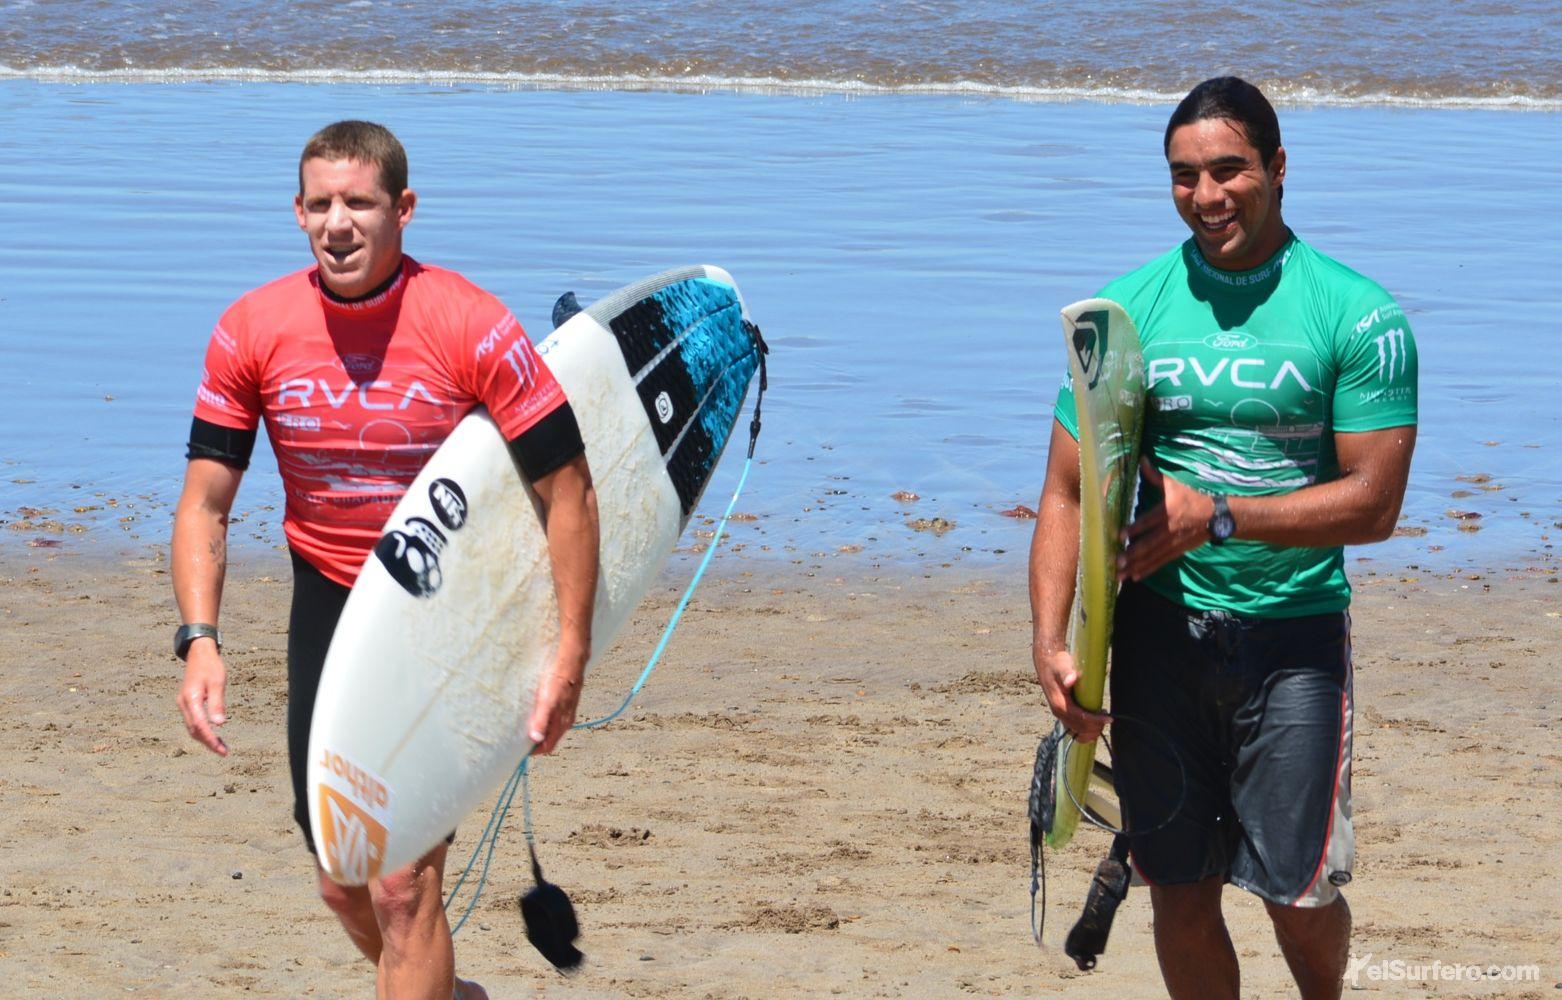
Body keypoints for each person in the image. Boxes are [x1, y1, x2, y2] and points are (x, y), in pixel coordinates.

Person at [170, 120, 600, 999]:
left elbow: (569, 490)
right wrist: (200, 640)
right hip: (329, 604)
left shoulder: (471, 323)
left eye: (359, 203)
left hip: (449, 612)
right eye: (320, 204)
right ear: (297, 212)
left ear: (403, 209)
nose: (338, 223)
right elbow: (205, 504)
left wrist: (570, 651)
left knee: (400, 883)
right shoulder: (252, 329)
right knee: (343, 877)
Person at [1029, 77, 1417, 999]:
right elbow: (1066, 492)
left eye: (1229, 170)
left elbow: (1375, 505)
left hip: (1293, 639)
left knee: (1298, 894)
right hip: (1157, 637)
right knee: (1180, 893)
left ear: (1278, 168)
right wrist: (1051, 638)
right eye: (1184, 175)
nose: (1206, 196)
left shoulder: (1358, 315)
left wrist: (1222, 514)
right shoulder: (1127, 313)